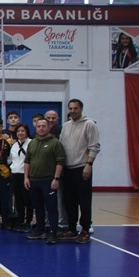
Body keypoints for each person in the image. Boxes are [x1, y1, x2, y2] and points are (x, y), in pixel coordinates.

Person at [59, 99, 100, 243]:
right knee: (69, 201)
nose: (73, 111)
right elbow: (61, 146)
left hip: (82, 167)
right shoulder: (65, 126)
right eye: (70, 108)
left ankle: (85, 230)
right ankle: (71, 228)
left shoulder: (89, 124)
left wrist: (89, 164)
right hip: (67, 169)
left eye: (75, 108)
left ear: (81, 109)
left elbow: (94, 146)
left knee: (84, 201)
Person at [24, 118, 66, 244]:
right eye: (39, 126)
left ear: (48, 128)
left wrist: (56, 179)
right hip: (34, 181)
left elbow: (60, 162)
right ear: (35, 128)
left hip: (48, 181)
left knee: (51, 208)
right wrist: (26, 177)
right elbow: (27, 161)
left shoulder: (55, 143)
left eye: (43, 126)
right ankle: (40, 229)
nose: (41, 128)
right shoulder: (32, 143)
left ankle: (53, 232)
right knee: (38, 207)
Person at [9, 123, 33, 231]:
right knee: (18, 199)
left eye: (23, 131)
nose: (20, 133)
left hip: (26, 175)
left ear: (27, 132)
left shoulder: (31, 143)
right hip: (15, 174)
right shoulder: (14, 145)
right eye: (18, 131)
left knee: (27, 199)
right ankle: (20, 219)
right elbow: (11, 159)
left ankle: (28, 221)